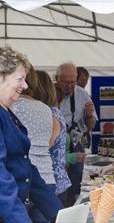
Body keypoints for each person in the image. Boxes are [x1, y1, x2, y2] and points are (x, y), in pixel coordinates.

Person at [0, 46, 62, 223]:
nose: (26, 86)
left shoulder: (6, 112)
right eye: (20, 79)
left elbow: (25, 168)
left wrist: (59, 214)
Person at [11, 65, 59, 223]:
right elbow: (50, 143)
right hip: (46, 178)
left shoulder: (11, 108)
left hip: (19, 181)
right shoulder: (45, 109)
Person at [55, 62, 97, 206]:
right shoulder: (50, 93)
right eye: (66, 82)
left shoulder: (82, 94)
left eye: (73, 82)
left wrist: (90, 115)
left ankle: (72, 207)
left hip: (74, 141)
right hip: (54, 143)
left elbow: (90, 126)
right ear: (57, 79)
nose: (70, 86)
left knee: (76, 181)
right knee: (58, 184)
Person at [34, 70, 72, 207]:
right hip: (58, 182)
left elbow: (43, 147)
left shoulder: (47, 114)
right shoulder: (53, 112)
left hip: (51, 185)